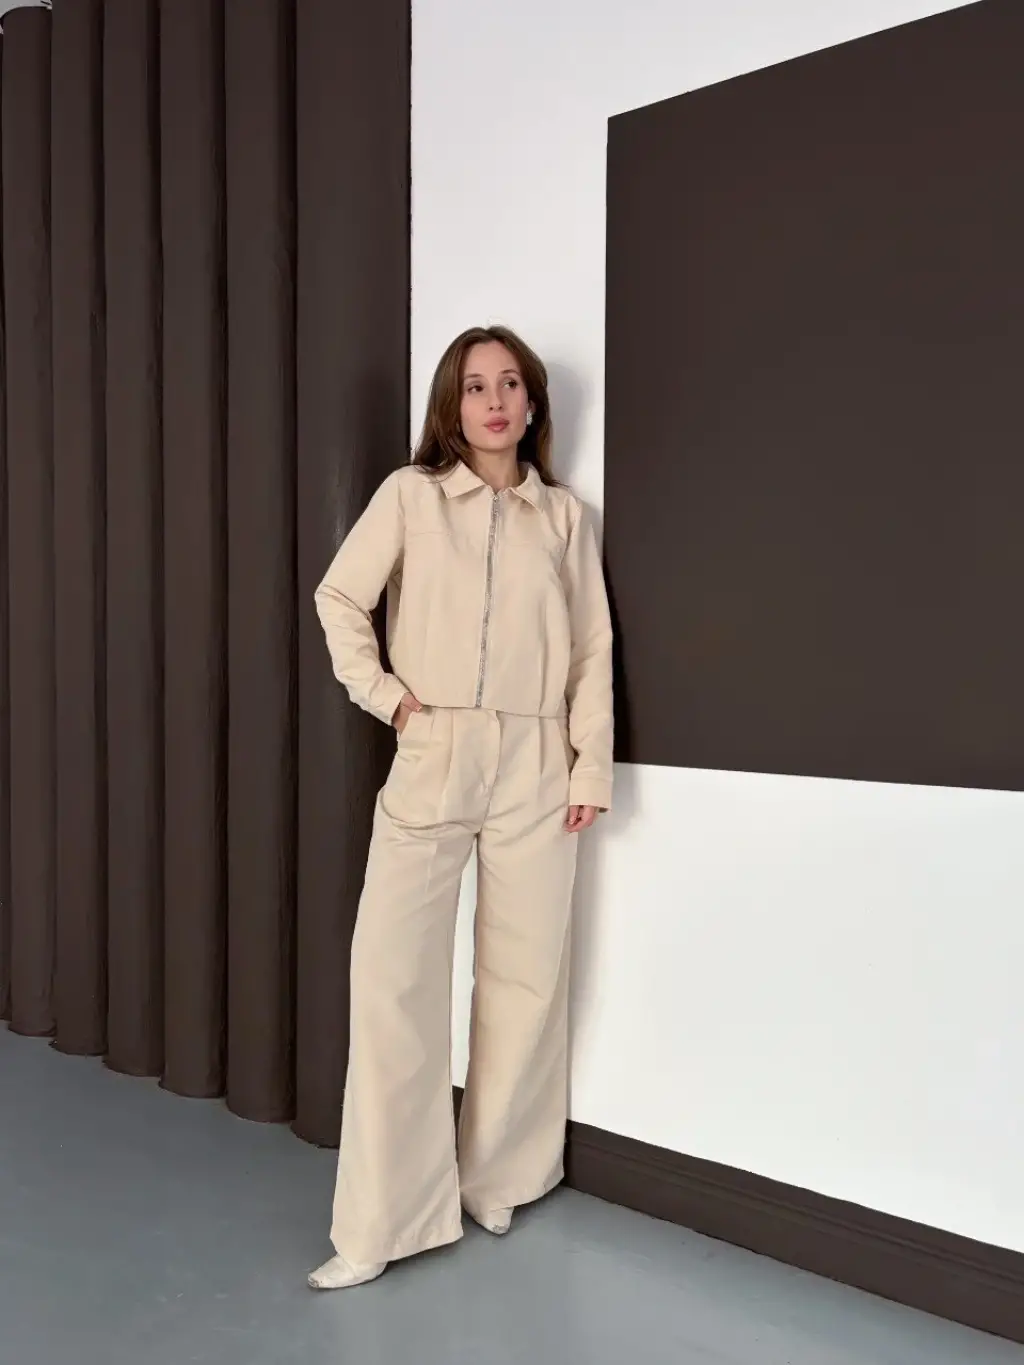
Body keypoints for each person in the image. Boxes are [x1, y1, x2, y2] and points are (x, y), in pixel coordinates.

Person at [307, 324, 613, 1291]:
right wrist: (389, 698)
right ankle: (379, 1222)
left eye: (510, 383)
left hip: (537, 760)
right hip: (434, 748)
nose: (494, 400)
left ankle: (498, 1176)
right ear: (452, 403)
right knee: (391, 978)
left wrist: (588, 770)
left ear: (531, 402)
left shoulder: (563, 519)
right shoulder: (411, 495)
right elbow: (339, 598)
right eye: (476, 385)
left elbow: (591, 648)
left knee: (526, 977)